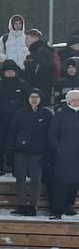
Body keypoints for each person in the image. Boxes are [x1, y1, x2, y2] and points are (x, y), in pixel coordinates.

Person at [7, 89, 51, 215]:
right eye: (31, 96)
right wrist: (11, 148)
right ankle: (21, 205)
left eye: (37, 97)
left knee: (36, 181)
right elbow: (12, 131)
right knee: (20, 180)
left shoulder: (47, 114)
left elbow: (51, 134)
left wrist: (48, 152)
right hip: (20, 152)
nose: (34, 99)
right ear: (28, 98)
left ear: (41, 99)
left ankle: (33, 206)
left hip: (38, 154)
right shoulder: (20, 113)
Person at [0, 61, 27, 174]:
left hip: (18, 120)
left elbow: (25, 102)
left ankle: (17, 168)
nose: (10, 73)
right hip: (1, 120)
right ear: (3, 72)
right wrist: (9, 106)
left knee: (17, 144)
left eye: (12, 71)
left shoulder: (23, 84)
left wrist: (15, 106)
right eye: (8, 71)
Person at [48, 89, 79, 218]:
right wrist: (58, 148)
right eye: (73, 100)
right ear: (68, 101)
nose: (76, 102)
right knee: (62, 183)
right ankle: (57, 210)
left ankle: (68, 206)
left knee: (75, 183)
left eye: (78, 100)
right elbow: (52, 134)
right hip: (64, 155)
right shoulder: (60, 114)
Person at [23, 29, 57, 103]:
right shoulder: (40, 51)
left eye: (27, 38)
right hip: (42, 89)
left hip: (41, 90)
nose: (25, 41)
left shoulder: (42, 52)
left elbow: (42, 71)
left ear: (35, 38)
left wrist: (28, 66)